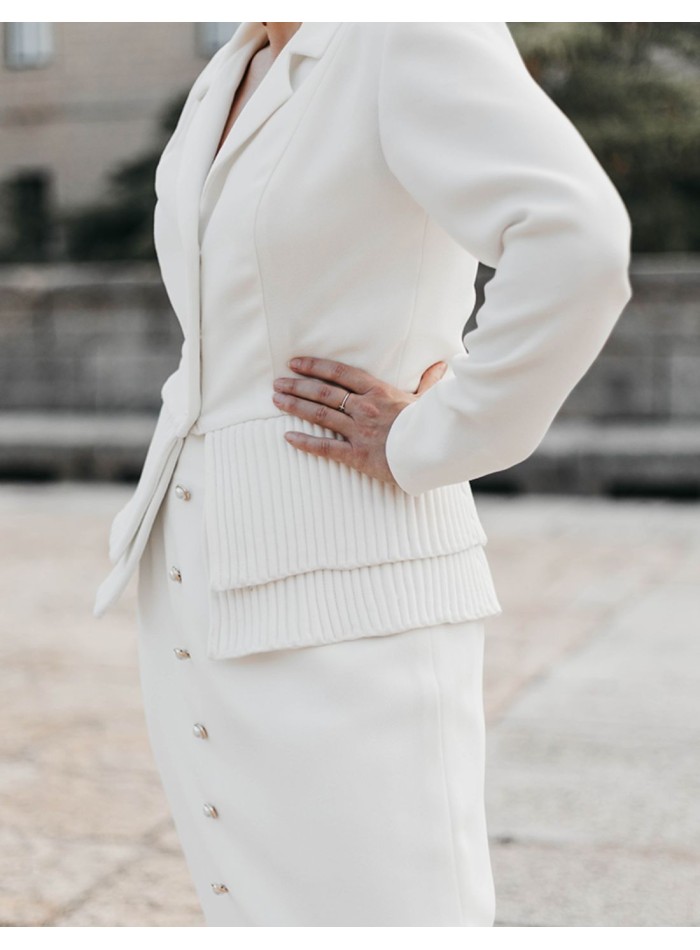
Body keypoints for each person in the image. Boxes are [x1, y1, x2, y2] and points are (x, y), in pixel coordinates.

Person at [93, 22, 632, 926]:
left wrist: (438, 430)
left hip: (355, 592)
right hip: (196, 584)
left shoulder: (408, 27)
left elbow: (577, 242)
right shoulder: (231, 66)